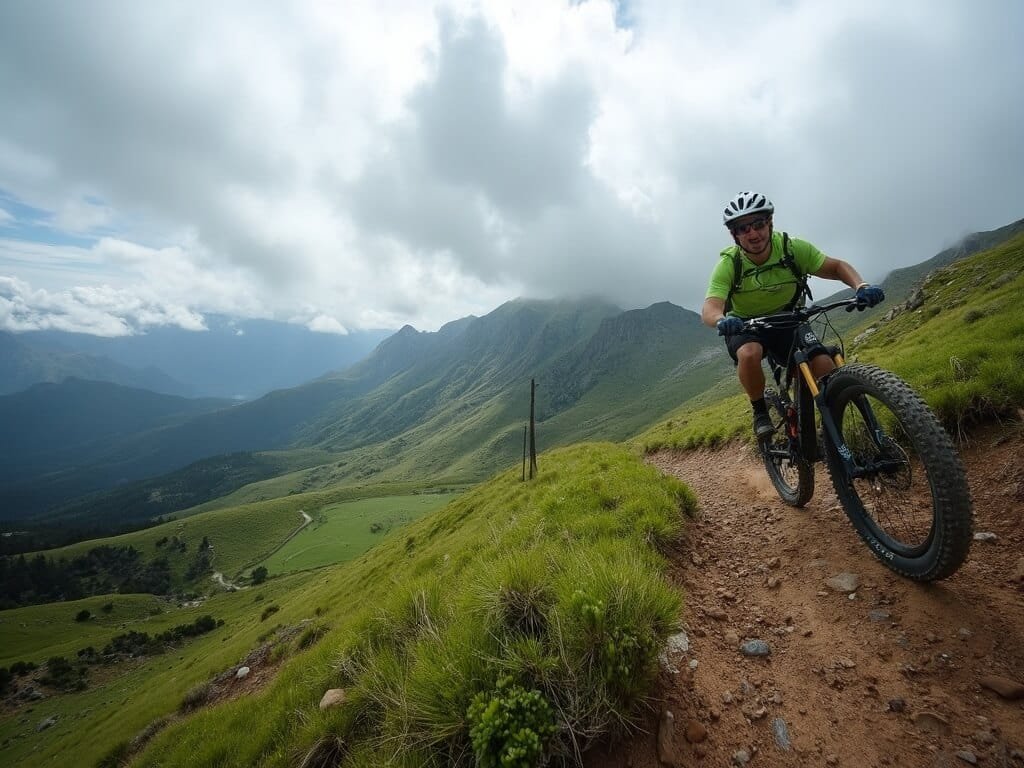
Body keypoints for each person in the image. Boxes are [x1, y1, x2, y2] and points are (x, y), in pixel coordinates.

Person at [701, 191, 884, 438]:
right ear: (734, 235)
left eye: (758, 224)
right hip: (746, 326)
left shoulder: (792, 249)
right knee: (749, 353)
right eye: (743, 229)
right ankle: (760, 412)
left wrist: (861, 286)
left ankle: (838, 435)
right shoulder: (729, 264)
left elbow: (837, 267)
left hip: (788, 319)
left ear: (770, 223)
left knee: (825, 366)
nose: (753, 234)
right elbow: (710, 308)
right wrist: (722, 320)